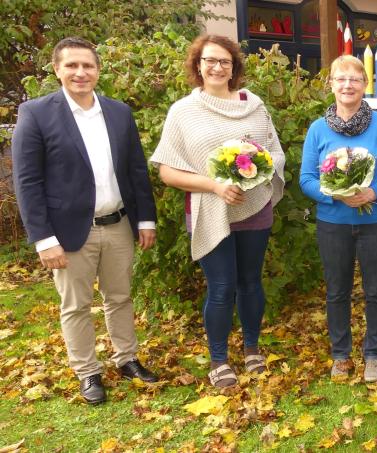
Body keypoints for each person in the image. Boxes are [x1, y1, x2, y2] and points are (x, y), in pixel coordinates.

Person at [12, 37, 158, 404]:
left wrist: (146, 219)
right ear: (57, 69)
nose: (81, 72)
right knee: (75, 305)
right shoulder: (36, 113)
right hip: (68, 231)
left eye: (87, 65)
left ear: (98, 69)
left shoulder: (118, 112)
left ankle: (127, 359)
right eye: (72, 66)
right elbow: (27, 181)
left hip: (119, 224)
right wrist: (43, 238)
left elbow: (136, 170)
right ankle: (88, 372)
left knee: (120, 297)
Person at [150, 35, 286, 388]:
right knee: (222, 287)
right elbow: (167, 171)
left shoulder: (255, 106)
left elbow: (275, 152)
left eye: (224, 61)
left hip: (253, 206)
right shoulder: (183, 111)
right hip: (210, 209)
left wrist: (259, 173)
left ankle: (252, 349)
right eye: (209, 60)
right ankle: (219, 359)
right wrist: (214, 186)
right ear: (198, 65)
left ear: (233, 67)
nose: (217, 67)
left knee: (251, 282)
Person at [300, 55, 377, 383]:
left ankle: (373, 351)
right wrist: (334, 194)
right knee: (337, 291)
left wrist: (372, 193)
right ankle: (341, 353)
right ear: (331, 84)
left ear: (365, 85)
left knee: (376, 290)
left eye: (354, 79)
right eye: (341, 78)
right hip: (333, 223)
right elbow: (306, 179)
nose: (347, 85)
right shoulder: (318, 129)